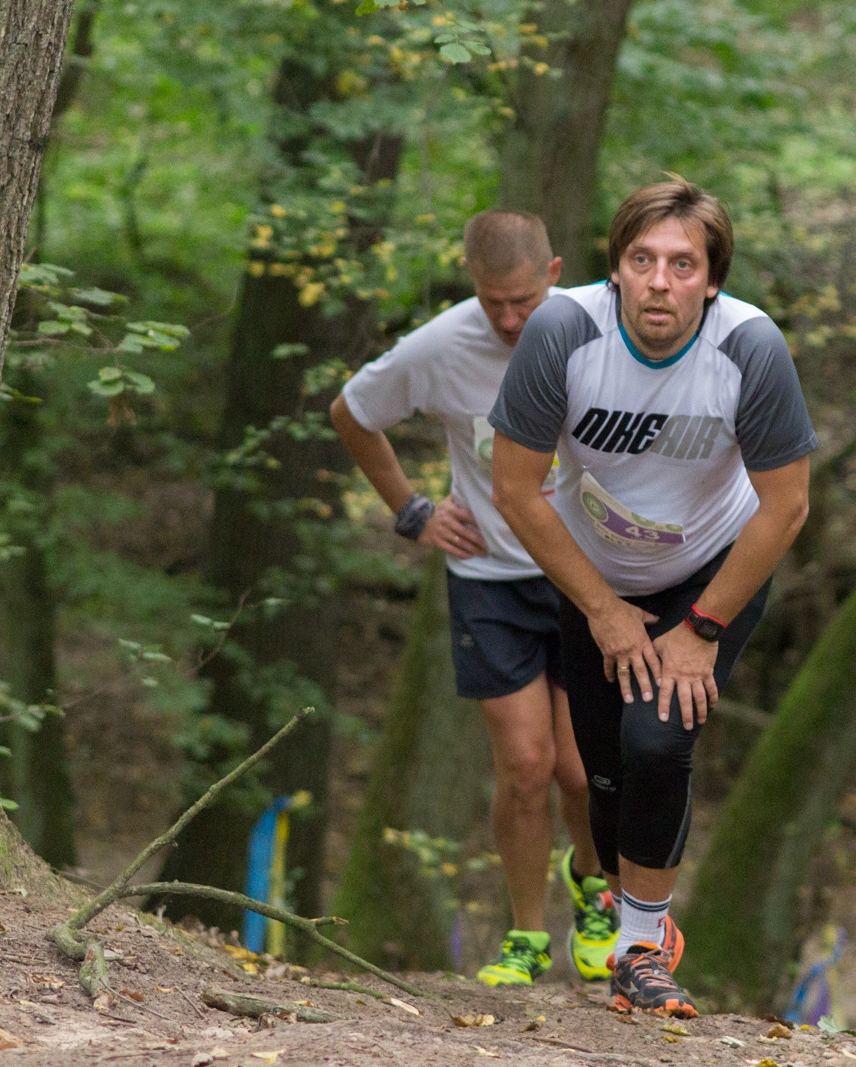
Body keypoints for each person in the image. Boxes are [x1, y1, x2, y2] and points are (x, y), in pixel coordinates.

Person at [489, 178, 817, 1017]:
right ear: (615, 272)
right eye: (642, 261)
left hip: (712, 571)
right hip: (594, 574)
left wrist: (702, 627)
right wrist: (600, 608)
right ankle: (607, 885)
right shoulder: (563, 331)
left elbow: (787, 505)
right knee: (600, 775)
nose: (660, 281)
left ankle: (643, 948)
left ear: (711, 279)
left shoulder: (750, 346)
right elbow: (517, 488)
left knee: (657, 736)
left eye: (682, 264)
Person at [330, 210, 618, 987]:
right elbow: (352, 414)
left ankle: (596, 887)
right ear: (472, 283)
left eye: (523, 299)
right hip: (491, 577)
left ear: (556, 272)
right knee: (525, 766)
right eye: (493, 301)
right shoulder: (440, 346)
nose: (509, 318)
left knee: (580, 769)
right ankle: (526, 936)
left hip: (588, 575)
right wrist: (413, 511)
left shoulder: (604, 325)